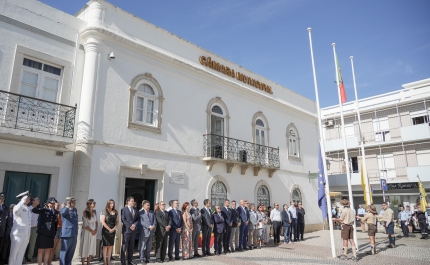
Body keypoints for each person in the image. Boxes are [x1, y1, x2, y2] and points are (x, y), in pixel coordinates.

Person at [32, 197, 58, 265]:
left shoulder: (55, 212)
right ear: (48, 203)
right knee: (40, 250)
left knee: (48, 250)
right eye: (51, 203)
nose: (52, 205)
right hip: (43, 233)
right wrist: (38, 205)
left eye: (53, 203)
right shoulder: (44, 210)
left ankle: (45, 263)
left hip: (50, 233)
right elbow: (34, 211)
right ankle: (39, 264)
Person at [9, 191, 31, 265]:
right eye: (27, 197)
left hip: (26, 234)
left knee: (21, 254)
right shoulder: (17, 207)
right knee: (14, 254)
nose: (29, 198)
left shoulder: (27, 208)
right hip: (18, 234)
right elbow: (17, 209)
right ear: (23, 198)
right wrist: (22, 200)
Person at [60, 196, 78, 265]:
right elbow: (63, 213)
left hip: (74, 233)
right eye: (73, 202)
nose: (74, 203)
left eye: (74, 202)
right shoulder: (65, 209)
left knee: (71, 252)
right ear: (70, 203)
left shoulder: (75, 210)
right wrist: (67, 206)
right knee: (64, 251)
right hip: (67, 234)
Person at [121, 196, 139, 265]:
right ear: (128, 201)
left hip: (133, 230)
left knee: (131, 246)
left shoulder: (135, 209)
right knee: (124, 245)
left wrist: (134, 225)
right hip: (126, 230)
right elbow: (123, 219)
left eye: (133, 201)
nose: (133, 202)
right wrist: (130, 226)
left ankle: (130, 260)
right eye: (132, 201)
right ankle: (123, 261)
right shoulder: (124, 209)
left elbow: (137, 219)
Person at [100, 199, 118, 265]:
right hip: (105, 231)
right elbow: (102, 221)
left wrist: (114, 228)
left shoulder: (115, 212)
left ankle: (108, 261)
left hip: (113, 230)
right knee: (105, 246)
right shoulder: (104, 211)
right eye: (111, 203)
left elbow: (117, 221)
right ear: (108, 204)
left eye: (113, 203)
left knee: (110, 246)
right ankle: (105, 261)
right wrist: (109, 229)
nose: (112, 204)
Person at [81, 199, 97, 265]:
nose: (95, 204)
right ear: (89, 204)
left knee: (91, 247)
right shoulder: (85, 213)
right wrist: (91, 231)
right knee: (85, 246)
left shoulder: (94, 212)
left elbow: (96, 221)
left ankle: (88, 262)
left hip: (93, 232)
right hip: (87, 232)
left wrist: (95, 230)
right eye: (93, 203)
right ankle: (83, 263)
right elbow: (85, 225)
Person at [26, 196, 40, 263]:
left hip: (35, 228)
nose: (39, 201)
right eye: (37, 200)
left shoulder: (38, 209)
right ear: (33, 201)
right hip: (28, 228)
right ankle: (22, 257)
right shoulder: (28, 209)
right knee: (25, 243)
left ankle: (30, 257)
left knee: (32, 244)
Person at [0, 193, 9, 265]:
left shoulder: (6, 208)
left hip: (2, 232)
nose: (1, 200)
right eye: (0, 198)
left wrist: (6, 231)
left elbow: (7, 221)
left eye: (3, 199)